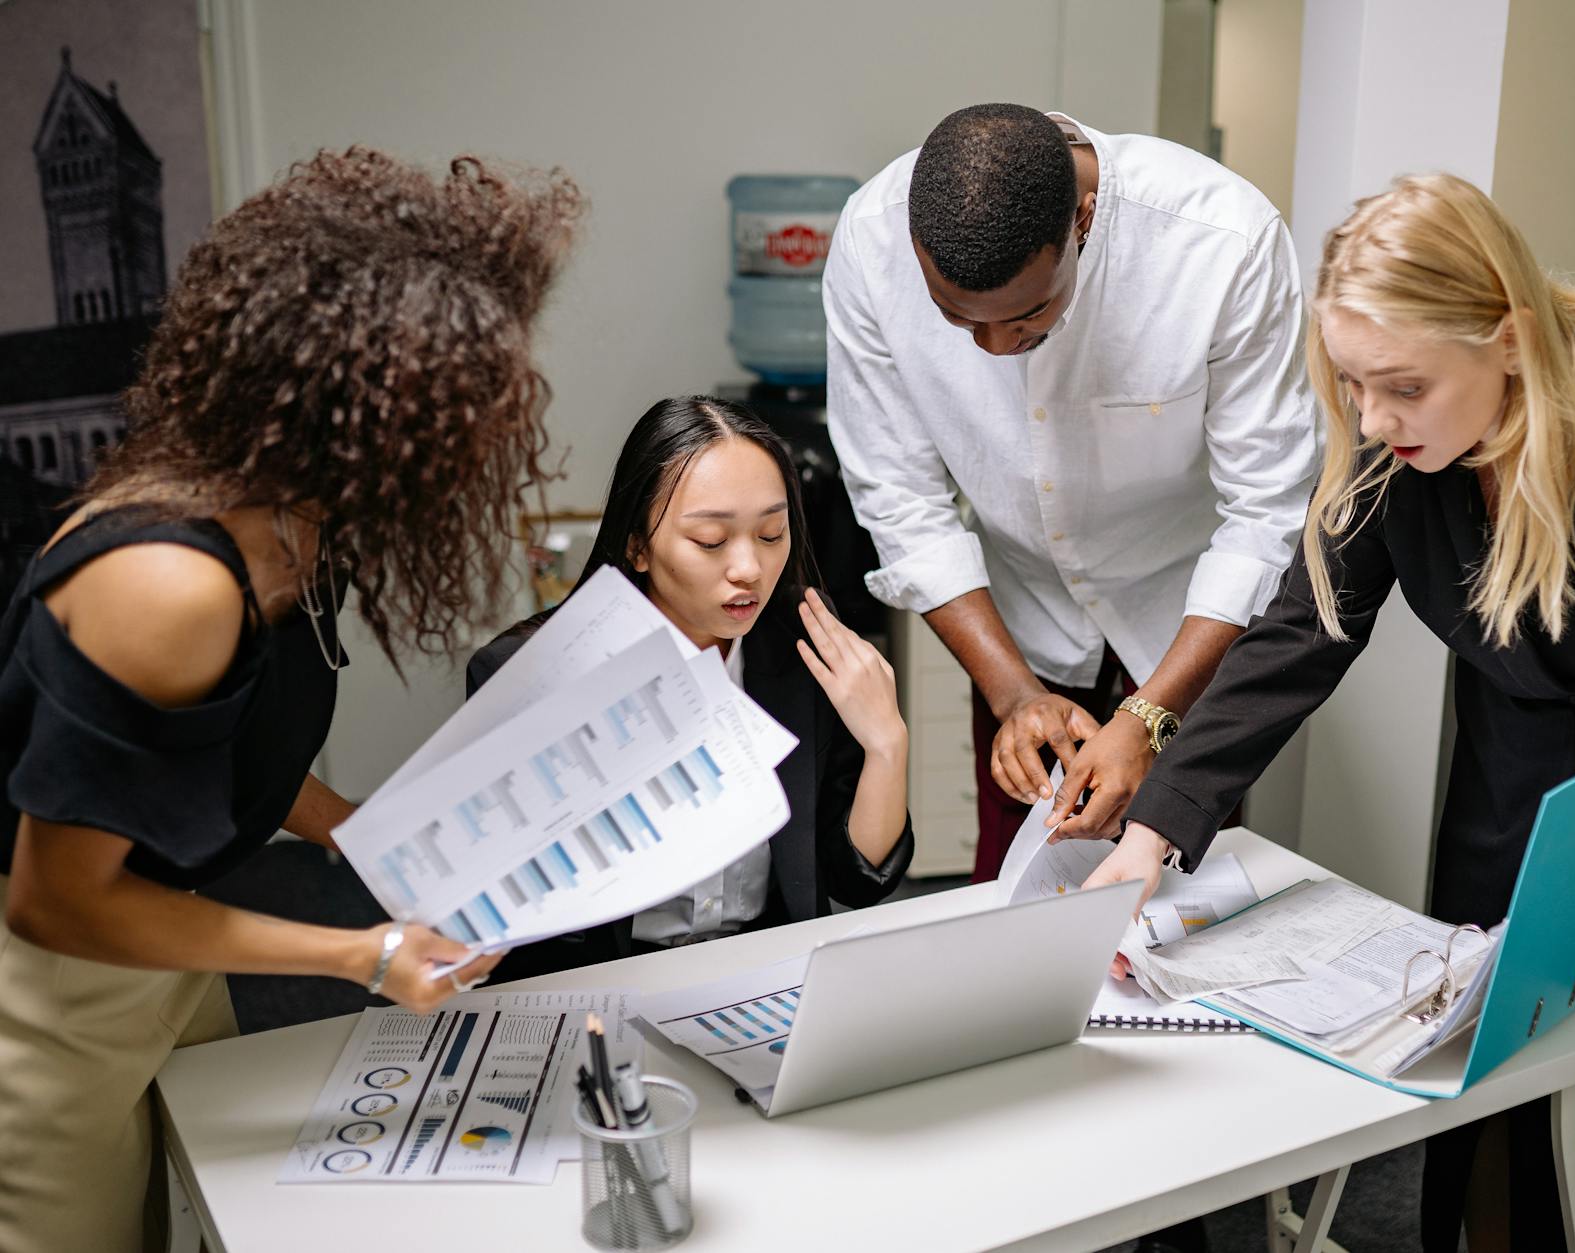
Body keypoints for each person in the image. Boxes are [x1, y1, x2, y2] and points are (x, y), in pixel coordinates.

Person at [1082, 173, 1575, 1251]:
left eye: (1401, 385)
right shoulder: (1391, 450)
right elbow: (1299, 634)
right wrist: (1154, 826)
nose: (1371, 418)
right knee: (1492, 1076)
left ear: (1504, 338)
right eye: (1353, 385)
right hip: (1510, 784)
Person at [0, 148, 582, 1252]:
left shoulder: (298, 513)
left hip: (164, 943)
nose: (493, 430)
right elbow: (53, 902)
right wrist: (360, 952)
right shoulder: (169, 580)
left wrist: (357, 828)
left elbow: (196, 750)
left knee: (199, 1214)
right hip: (46, 993)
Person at [825, 102, 1319, 885]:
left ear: (1084, 220)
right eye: (956, 319)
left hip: (1188, 620)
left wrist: (1151, 717)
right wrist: (1013, 691)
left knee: (1184, 894)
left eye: (1027, 317)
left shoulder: (1224, 244)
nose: (993, 345)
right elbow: (901, 498)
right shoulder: (870, 241)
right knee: (1015, 887)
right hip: (1015, 624)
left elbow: (1267, 515)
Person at [467, 396, 911, 972]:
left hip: (764, 970)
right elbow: (519, 917)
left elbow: (859, 880)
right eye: (710, 541)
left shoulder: (806, 645)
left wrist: (886, 744)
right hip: (605, 985)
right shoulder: (530, 673)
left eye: (772, 535)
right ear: (637, 545)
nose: (748, 568)